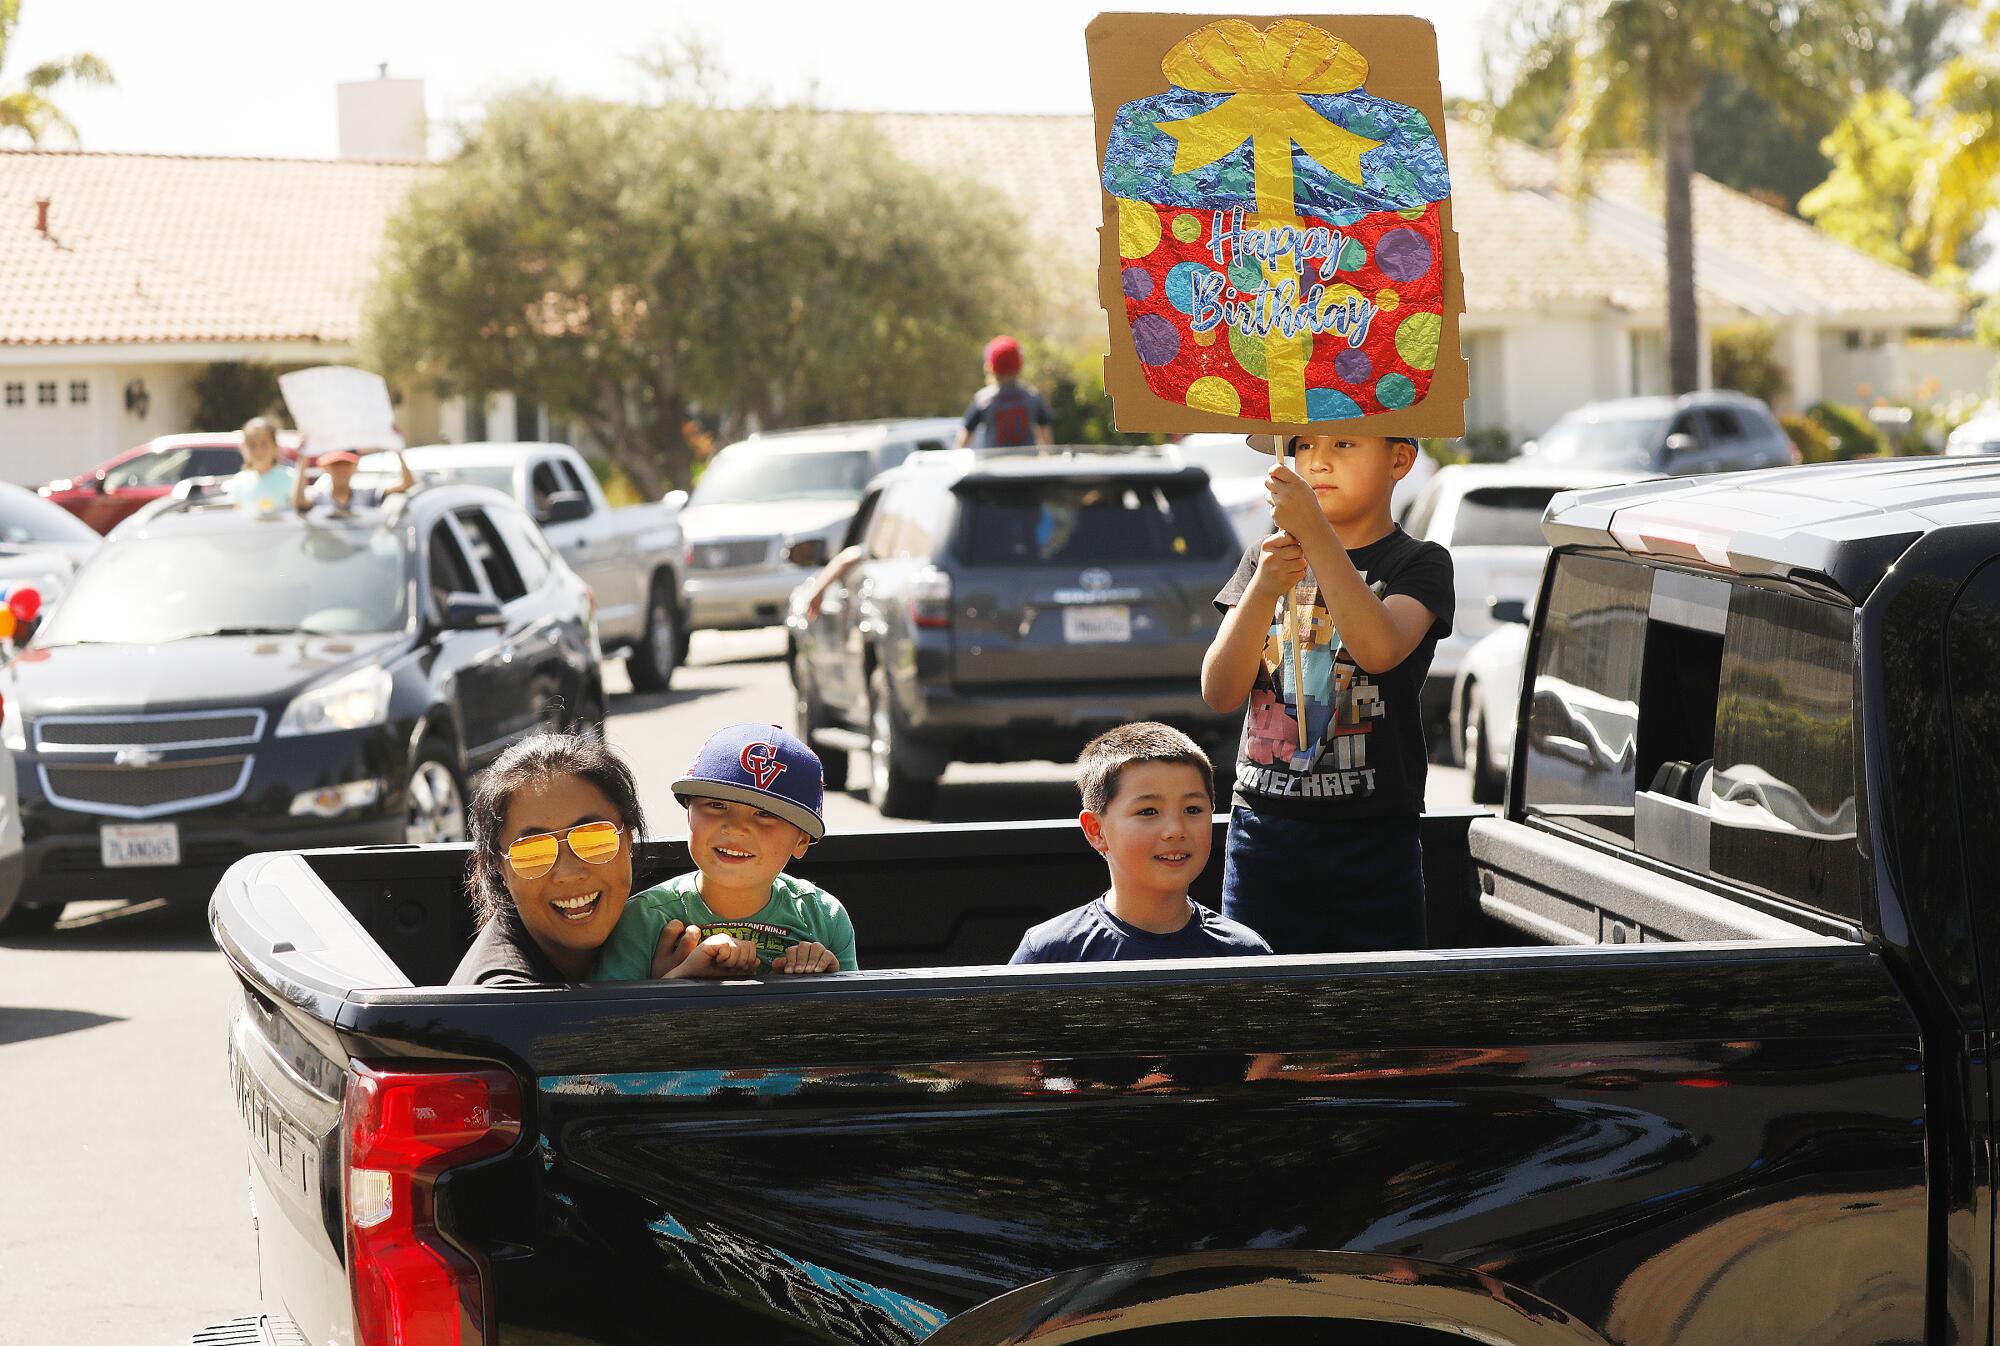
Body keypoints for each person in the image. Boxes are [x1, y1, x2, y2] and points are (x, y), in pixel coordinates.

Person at [1199, 434, 1454, 955]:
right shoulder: (1263, 559)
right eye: (1303, 445)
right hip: (1263, 831)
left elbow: (1379, 648)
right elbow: (1219, 690)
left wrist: (1315, 534)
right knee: (1264, 1005)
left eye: (1344, 442)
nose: (1318, 460)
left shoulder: (1419, 562)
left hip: (1374, 834)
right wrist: (1264, 587)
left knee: (1376, 1013)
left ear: (1400, 460)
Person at [450, 732, 747, 987]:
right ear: (500, 867)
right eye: (534, 852)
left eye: (593, 839)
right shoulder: (504, 995)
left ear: (628, 838)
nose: (568, 873)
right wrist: (663, 993)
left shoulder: (661, 923)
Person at [594, 722, 857, 979]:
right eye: (717, 805)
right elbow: (608, 1020)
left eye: (764, 814)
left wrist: (825, 976)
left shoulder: (825, 918)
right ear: (689, 816)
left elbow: (857, 1015)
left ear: (801, 841)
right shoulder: (643, 919)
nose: (736, 828)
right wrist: (678, 979)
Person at [1010, 723, 1270, 964]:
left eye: (1192, 809)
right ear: (1096, 830)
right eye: (1148, 811)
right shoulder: (1050, 953)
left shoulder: (1243, 953)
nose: (1175, 831)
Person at [956, 335, 1054, 449]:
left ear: (990, 367)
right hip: (1027, 463)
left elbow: (964, 438)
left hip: (996, 464)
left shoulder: (983, 399)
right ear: (1019, 366)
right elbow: (1047, 440)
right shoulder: (1032, 397)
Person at [292, 445, 415, 518]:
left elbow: (407, 484)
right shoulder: (318, 498)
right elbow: (299, 503)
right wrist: (303, 457)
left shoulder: (368, 495)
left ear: (354, 467)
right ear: (326, 468)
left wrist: (397, 450)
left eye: (346, 465)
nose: (341, 470)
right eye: (336, 465)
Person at [227, 417, 296, 515]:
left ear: (275, 446)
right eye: (252, 445)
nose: (259, 450)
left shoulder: (290, 478)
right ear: (244, 448)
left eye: (264, 444)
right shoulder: (239, 481)